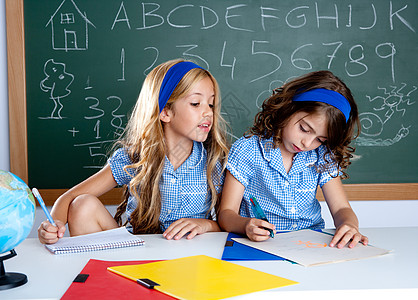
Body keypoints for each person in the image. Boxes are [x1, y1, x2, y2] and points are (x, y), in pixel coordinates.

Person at [38, 59, 229, 244]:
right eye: (196, 103)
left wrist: (204, 225)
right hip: (137, 256)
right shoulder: (132, 158)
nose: (208, 112)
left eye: (211, 104)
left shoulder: (214, 161)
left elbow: (228, 222)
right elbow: (69, 198)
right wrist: (53, 225)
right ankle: (102, 273)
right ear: (165, 112)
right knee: (82, 205)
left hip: (189, 261)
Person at [218, 70, 369, 249]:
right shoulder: (248, 150)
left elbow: (341, 209)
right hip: (262, 245)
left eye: (320, 139)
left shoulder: (322, 154)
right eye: (304, 129)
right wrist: (245, 225)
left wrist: (349, 225)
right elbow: (226, 214)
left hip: (310, 244)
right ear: (288, 109)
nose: (307, 143)